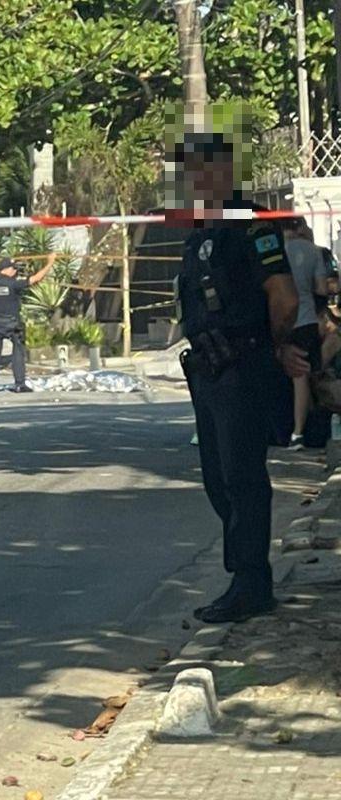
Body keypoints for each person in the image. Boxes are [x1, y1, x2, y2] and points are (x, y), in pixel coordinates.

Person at [174, 131, 308, 624]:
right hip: (209, 371)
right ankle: (244, 575)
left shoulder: (250, 224)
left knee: (242, 479)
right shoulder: (201, 233)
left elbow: (285, 296)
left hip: (243, 366)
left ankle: (251, 583)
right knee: (218, 479)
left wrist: (275, 347)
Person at [283, 217, 329, 450]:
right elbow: (322, 288)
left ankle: (292, 429)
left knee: (292, 377)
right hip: (309, 319)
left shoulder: (277, 252)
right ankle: (302, 430)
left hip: (283, 320)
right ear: (302, 228)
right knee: (306, 376)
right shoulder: (315, 252)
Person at [0, 253, 56, 393]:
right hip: (12, 323)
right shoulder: (13, 283)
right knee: (18, 353)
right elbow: (35, 279)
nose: (15, 272)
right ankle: (20, 384)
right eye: (14, 269)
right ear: (7, 269)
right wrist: (49, 263)